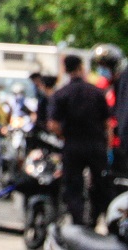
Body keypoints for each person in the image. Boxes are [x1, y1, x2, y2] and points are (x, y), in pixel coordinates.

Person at [50, 53, 113, 226]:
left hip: (73, 146)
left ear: (65, 69)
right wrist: (109, 149)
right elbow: (108, 124)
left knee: (73, 186)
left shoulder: (61, 94)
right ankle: (94, 219)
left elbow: (53, 125)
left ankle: (78, 222)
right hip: (96, 146)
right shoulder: (97, 92)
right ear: (81, 68)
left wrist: (64, 136)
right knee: (100, 185)